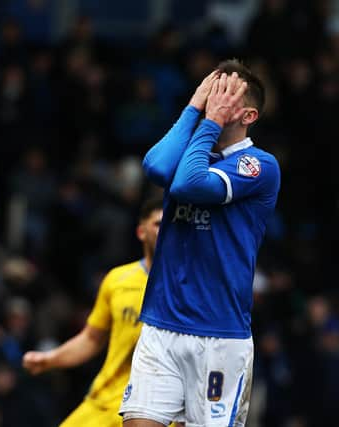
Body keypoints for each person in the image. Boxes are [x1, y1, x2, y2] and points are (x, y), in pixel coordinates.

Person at [120, 60, 280, 427]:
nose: (216, 101)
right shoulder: (194, 151)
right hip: (162, 323)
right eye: (213, 91)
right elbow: (157, 168)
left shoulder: (260, 165)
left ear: (249, 114)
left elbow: (188, 185)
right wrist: (194, 107)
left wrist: (209, 123)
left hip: (218, 335)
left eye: (227, 96)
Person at [22, 200, 164, 427]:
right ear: (141, 232)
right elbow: (91, 338)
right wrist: (50, 359)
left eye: (169, 225)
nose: (164, 230)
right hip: (105, 400)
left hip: (157, 409)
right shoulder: (117, 280)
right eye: (157, 224)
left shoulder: (189, 284)